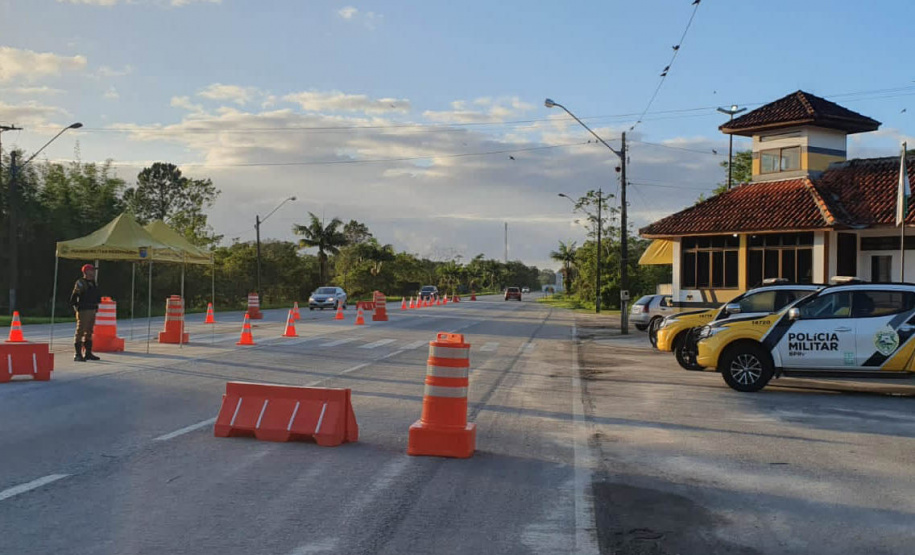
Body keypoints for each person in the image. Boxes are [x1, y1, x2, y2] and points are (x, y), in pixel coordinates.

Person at [70, 263, 102, 362]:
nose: (93, 272)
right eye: (91, 270)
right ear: (86, 271)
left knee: (89, 331)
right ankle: (78, 354)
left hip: (92, 309)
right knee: (80, 331)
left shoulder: (93, 282)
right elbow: (75, 296)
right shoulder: (81, 282)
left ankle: (88, 353)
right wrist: (76, 307)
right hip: (84, 309)